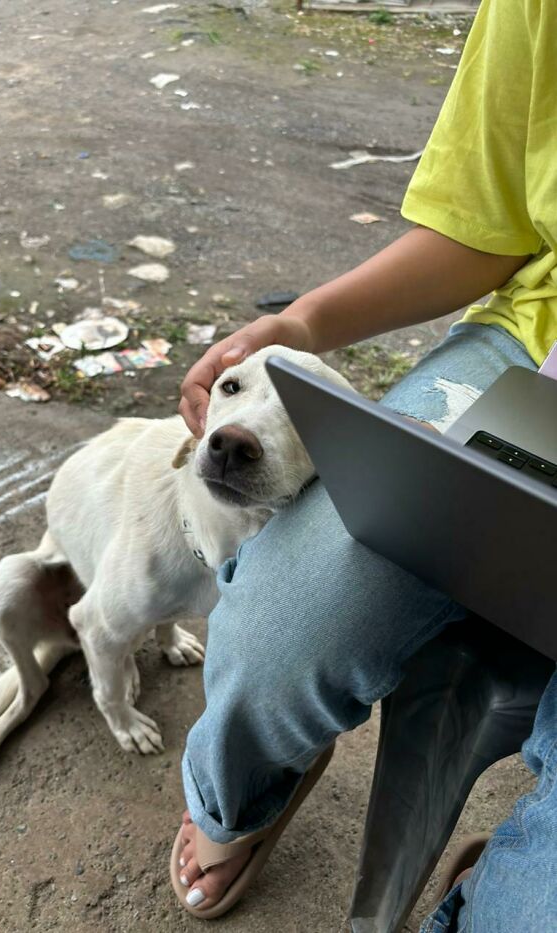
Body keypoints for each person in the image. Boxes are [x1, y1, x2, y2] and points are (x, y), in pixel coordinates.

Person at [169, 0, 557, 929]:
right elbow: (485, 219)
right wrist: (301, 323)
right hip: (533, 354)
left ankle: (507, 877)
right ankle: (241, 787)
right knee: (287, 627)